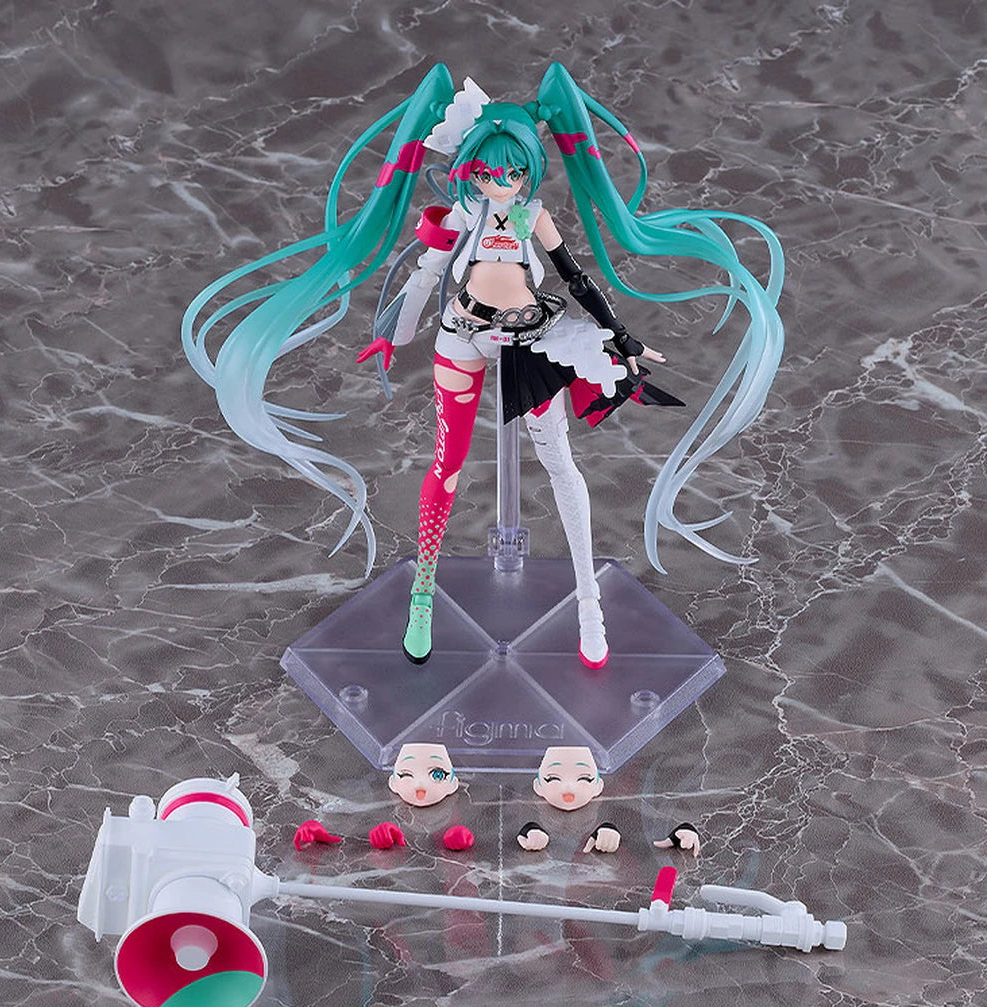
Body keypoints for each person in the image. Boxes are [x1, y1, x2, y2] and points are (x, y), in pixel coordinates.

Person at [182, 63, 784, 668]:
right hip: (462, 335)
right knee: (447, 463)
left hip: (531, 341)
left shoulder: (534, 216)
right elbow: (424, 276)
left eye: (514, 172)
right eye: (490, 172)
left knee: (560, 464)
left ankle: (588, 603)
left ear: (530, 170)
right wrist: (395, 333)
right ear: (471, 169)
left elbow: (577, 278)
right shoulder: (461, 217)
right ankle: (422, 596)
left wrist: (621, 336)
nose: (502, 182)